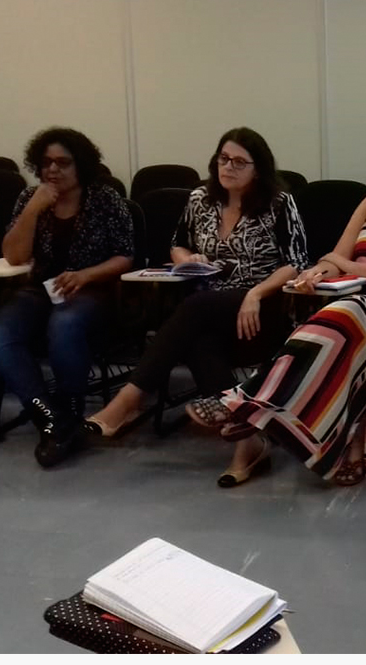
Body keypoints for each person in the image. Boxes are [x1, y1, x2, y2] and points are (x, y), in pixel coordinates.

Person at [189, 120, 366, 487]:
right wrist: (317, 271)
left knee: (346, 313)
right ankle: (274, 413)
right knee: (337, 321)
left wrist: (348, 266)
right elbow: (336, 256)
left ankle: (246, 400)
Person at [84, 127, 310, 442]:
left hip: (261, 308)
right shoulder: (200, 198)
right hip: (209, 308)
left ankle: (128, 401)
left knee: (192, 310)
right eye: (224, 159)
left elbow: (296, 262)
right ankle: (240, 420)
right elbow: (177, 243)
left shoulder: (279, 203)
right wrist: (188, 260)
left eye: (239, 162)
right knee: (195, 333)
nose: (228, 167)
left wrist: (255, 294)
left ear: (258, 170)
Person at [0, 127, 133, 467]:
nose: (52, 170)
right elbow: (13, 256)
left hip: (93, 292)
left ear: (80, 165)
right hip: (41, 290)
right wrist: (32, 211)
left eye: (62, 163)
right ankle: (51, 416)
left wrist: (85, 275)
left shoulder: (104, 199)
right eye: (46, 163)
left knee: (65, 323)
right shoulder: (30, 199)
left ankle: (69, 407)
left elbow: (126, 256)